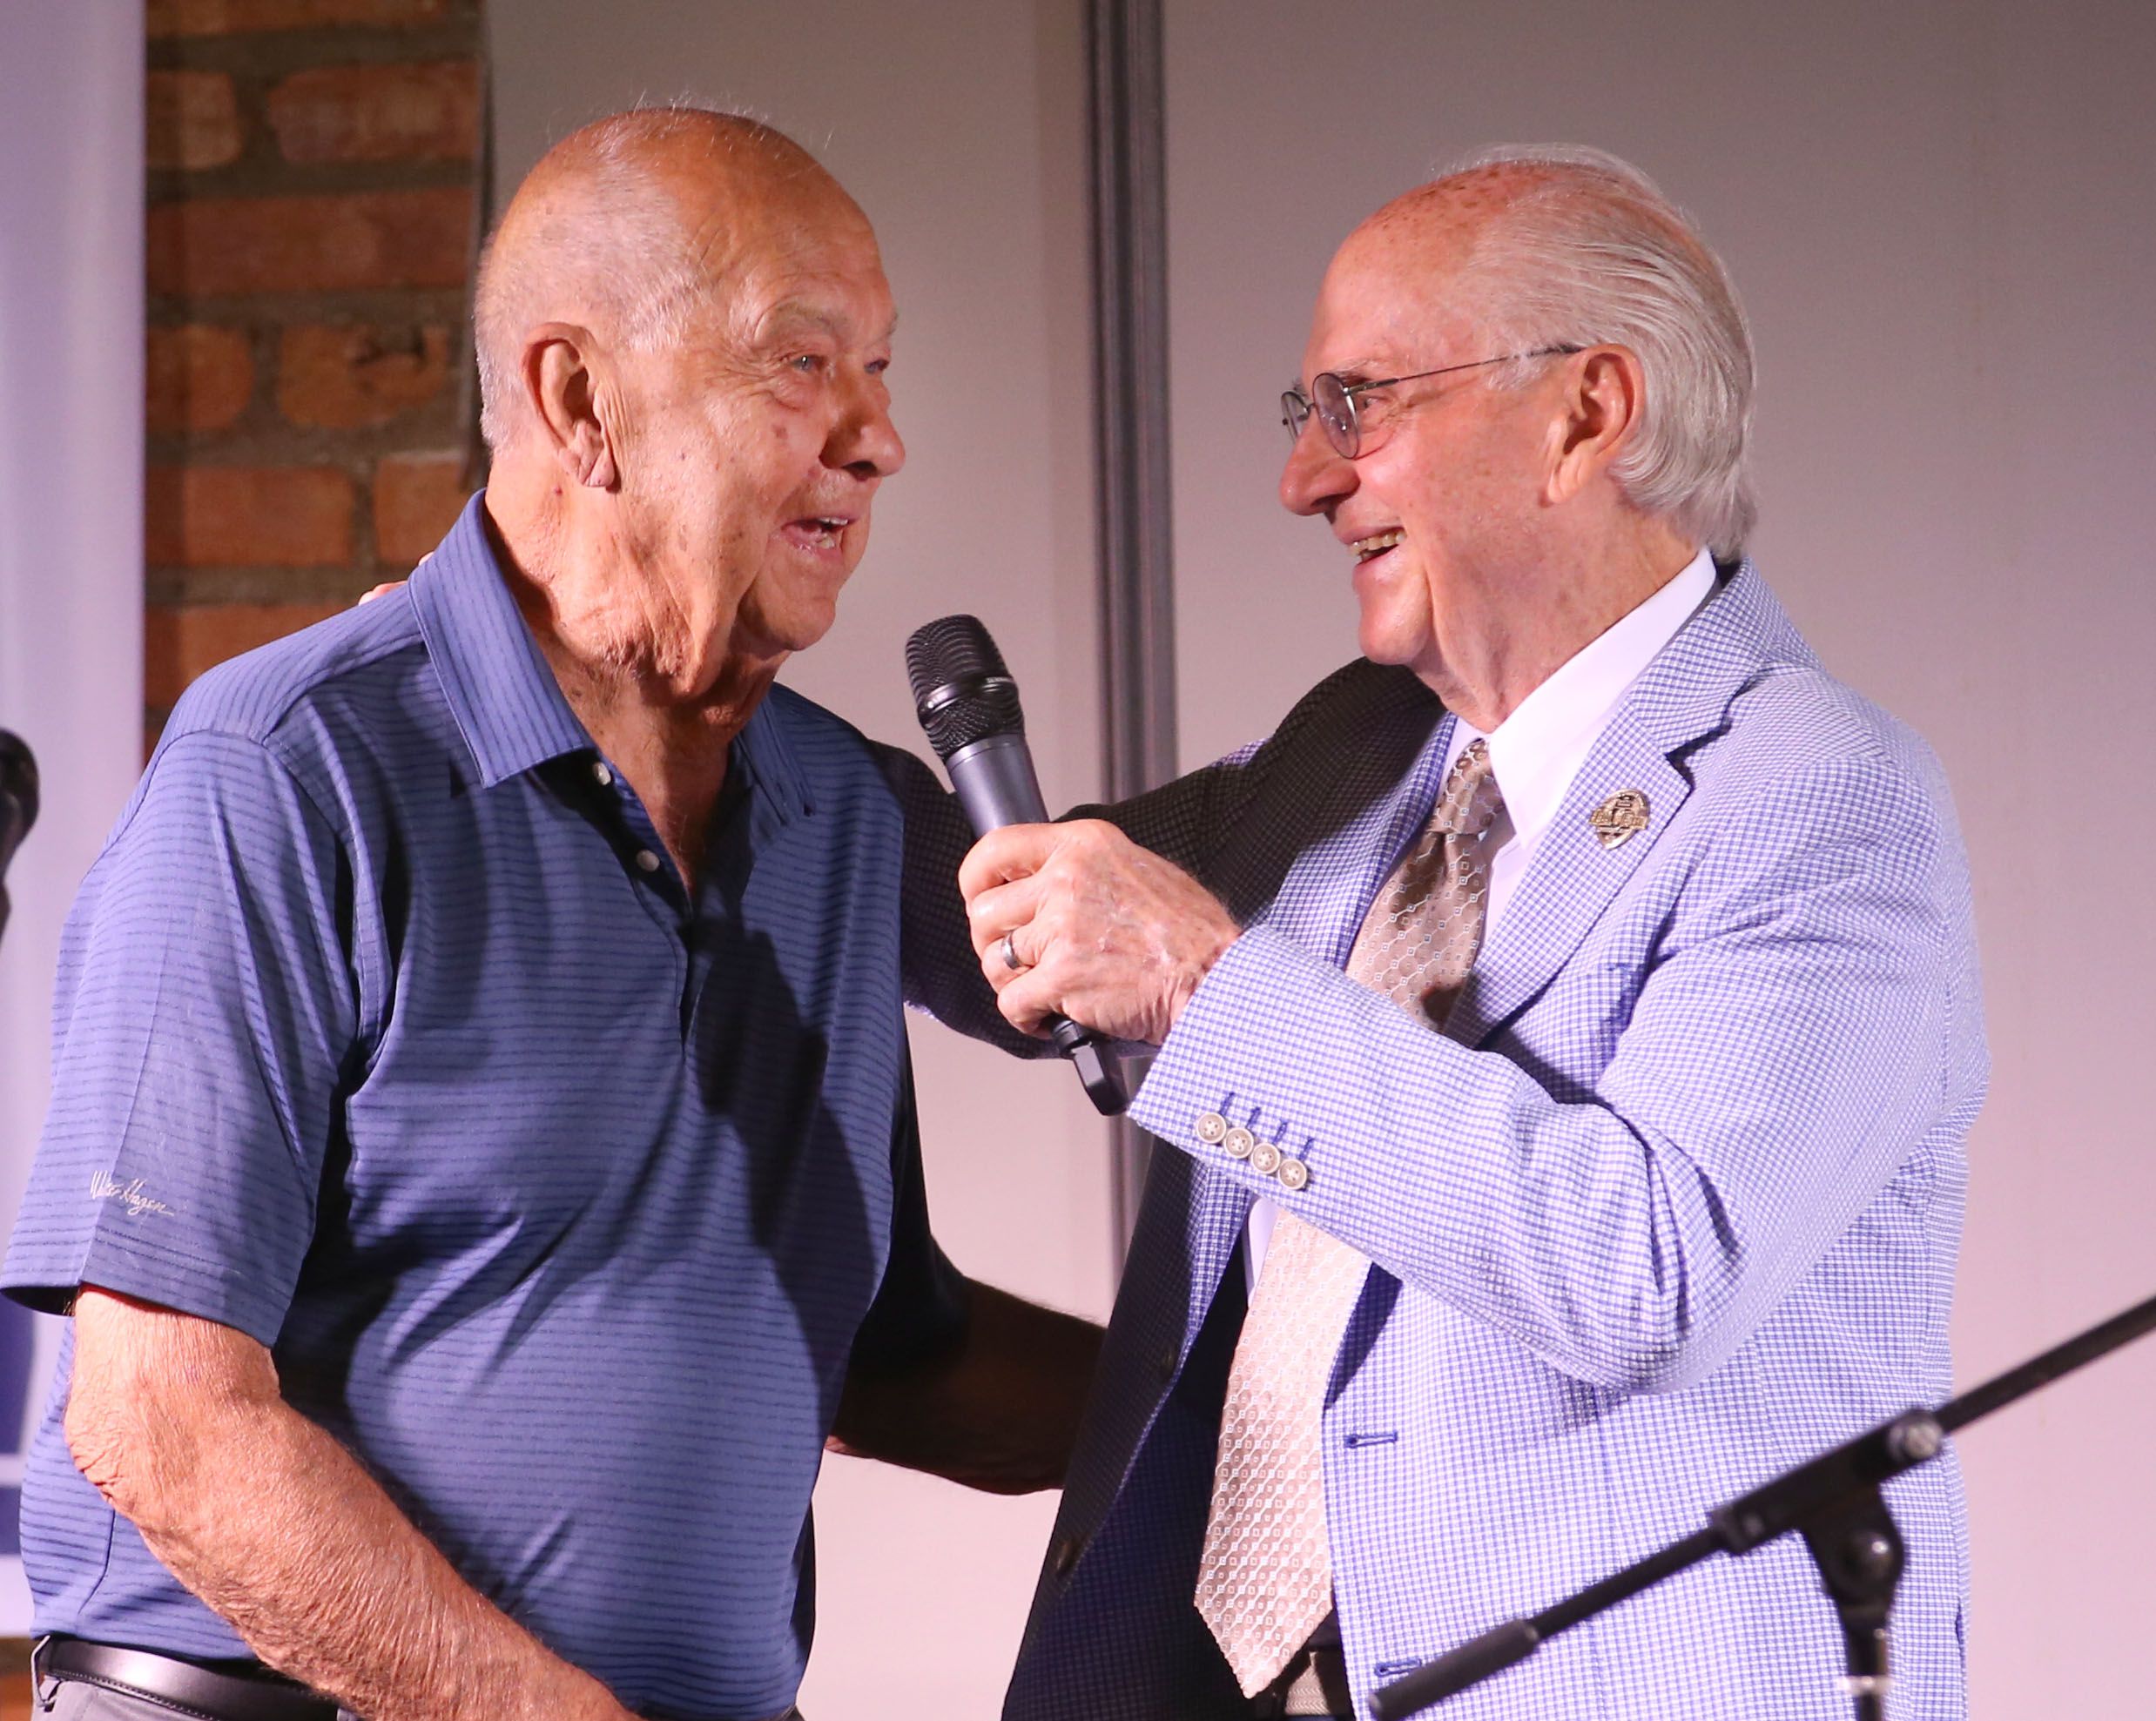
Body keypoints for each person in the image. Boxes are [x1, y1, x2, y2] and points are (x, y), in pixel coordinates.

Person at [4, 107, 1098, 1721]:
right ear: (579, 402)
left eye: (883, 368)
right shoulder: (290, 767)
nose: (877, 438)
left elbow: (881, 1352)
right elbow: (160, 1420)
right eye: (804, 363)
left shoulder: (846, 824)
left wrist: (1312, 1418)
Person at [900, 147, 1984, 1718]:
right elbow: (1006, 905)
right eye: (1308, 417)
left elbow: (1648, 1270)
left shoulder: (1822, 798)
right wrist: (660, 697)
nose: (1307, 479)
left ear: (1586, 415)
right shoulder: (1360, 749)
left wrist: (1203, 982)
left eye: (1360, 405)